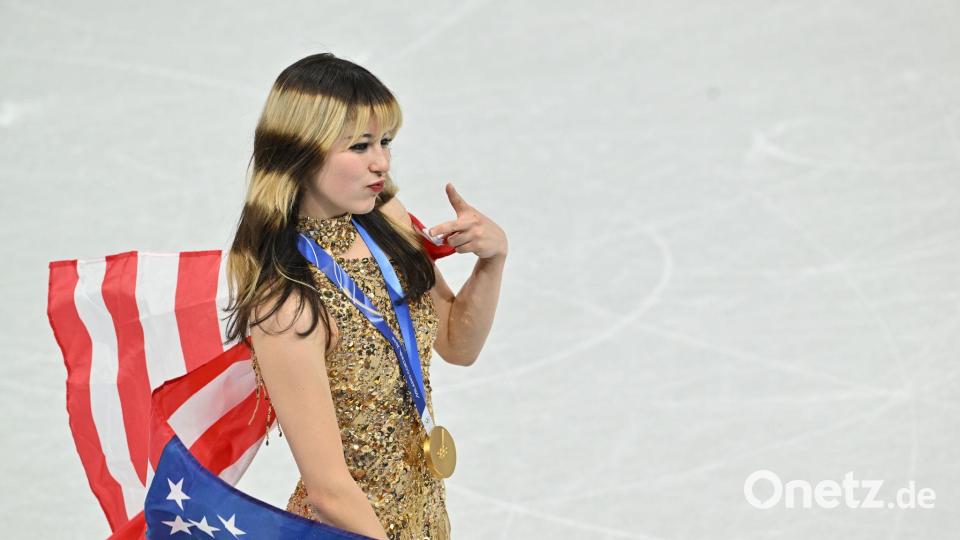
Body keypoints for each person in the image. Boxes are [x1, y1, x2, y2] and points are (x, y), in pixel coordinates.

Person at [222, 52, 508, 540]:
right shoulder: (285, 303)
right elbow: (328, 490)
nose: (381, 162)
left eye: (385, 141)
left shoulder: (387, 221)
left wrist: (492, 260)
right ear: (301, 151)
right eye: (359, 145)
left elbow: (458, 344)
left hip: (425, 519)